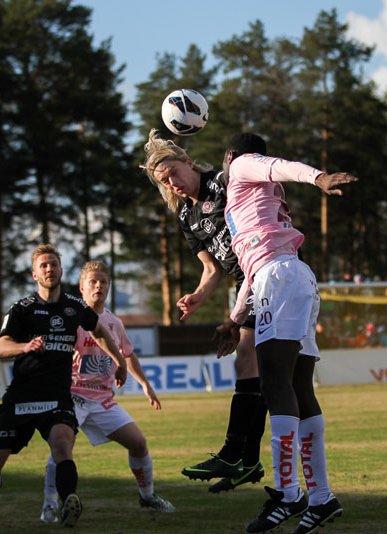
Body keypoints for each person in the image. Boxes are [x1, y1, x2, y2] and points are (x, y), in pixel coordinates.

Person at [216, 133, 355, 534]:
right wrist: (234, 318)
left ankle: (289, 494)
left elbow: (277, 165)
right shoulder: (259, 202)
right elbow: (255, 269)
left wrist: (318, 178)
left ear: (230, 155)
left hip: (280, 279)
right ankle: (322, 497)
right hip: (292, 277)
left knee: (274, 384)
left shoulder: (242, 167)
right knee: (298, 387)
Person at [142, 129, 267, 494]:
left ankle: (235, 454)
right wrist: (196, 295)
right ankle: (247, 460)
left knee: (250, 363)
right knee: (254, 369)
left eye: (174, 173)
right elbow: (212, 268)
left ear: (189, 162)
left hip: (266, 271)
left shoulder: (224, 182)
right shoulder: (187, 216)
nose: (173, 183)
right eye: (164, 181)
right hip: (243, 284)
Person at [0, 244, 128, 527]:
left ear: (61, 270)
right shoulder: (22, 309)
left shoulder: (74, 307)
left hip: (57, 396)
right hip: (21, 396)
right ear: (35, 273)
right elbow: (0, 347)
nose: (49, 269)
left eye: (53, 264)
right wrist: (24, 346)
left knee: (62, 445)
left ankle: (69, 503)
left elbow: (99, 331)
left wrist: (119, 359)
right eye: (43, 265)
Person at [40, 261, 174, 523]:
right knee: (60, 449)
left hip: (102, 400)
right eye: (93, 281)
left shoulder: (113, 322)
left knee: (139, 444)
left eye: (103, 282)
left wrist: (145, 384)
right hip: (73, 398)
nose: (98, 285)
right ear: (82, 288)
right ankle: (49, 505)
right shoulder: (72, 319)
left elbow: (128, 354)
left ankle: (147, 496)